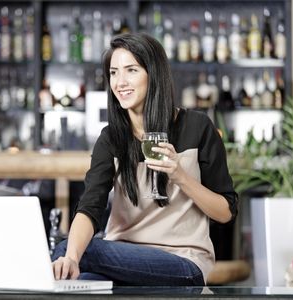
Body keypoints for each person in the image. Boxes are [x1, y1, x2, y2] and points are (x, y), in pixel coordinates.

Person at [51, 32, 238, 286]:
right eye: (114, 72)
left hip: (183, 262)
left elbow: (226, 212)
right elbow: (90, 206)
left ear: (154, 74)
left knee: (77, 250)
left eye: (131, 70)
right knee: (74, 274)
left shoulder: (197, 127)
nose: (120, 82)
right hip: (122, 261)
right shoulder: (111, 138)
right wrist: (71, 258)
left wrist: (180, 177)